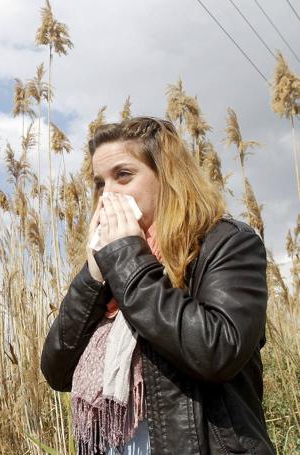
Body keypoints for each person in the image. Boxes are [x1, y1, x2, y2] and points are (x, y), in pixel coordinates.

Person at [40, 117, 274, 454]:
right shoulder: (113, 266)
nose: (108, 195)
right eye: (99, 183)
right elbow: (56, 371)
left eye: (123, 175)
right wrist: (92, 276)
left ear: (167, 176)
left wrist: (126, 261)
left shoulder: (226, 244)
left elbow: (217, 351)